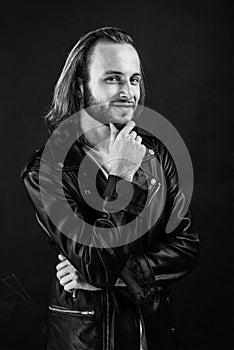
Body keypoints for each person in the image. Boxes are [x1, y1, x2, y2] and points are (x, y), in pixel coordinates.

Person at [21, 27, 199, 350]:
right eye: (113, 78)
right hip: (87, 340)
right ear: (80, 86)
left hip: (155, 334)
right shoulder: (46, 170)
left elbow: (186, 247)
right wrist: (121, 178)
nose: (128, 92)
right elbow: (96, 264)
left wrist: (120, 276)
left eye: (134, 79)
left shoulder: (156, 154)